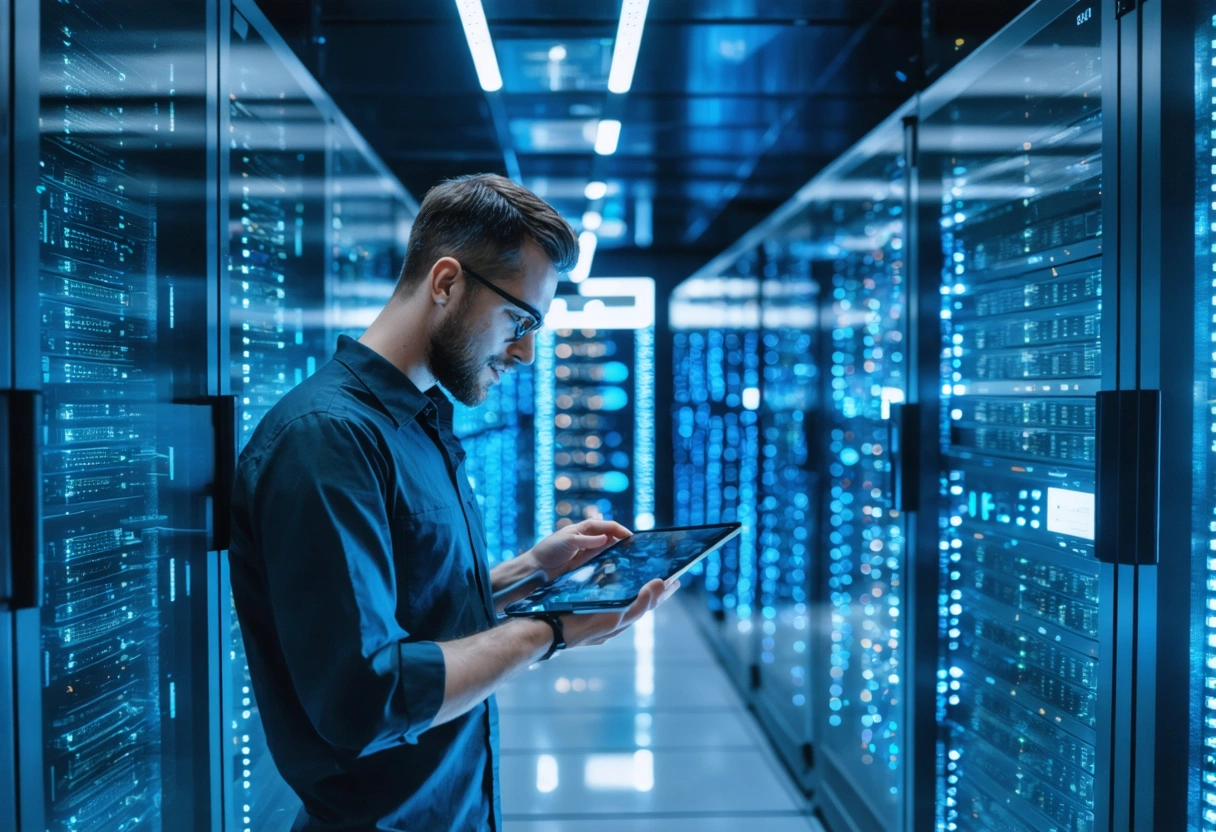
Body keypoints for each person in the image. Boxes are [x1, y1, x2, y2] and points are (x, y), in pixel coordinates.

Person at [229, 174, 678, 832]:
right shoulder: (326, 439)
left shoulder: (417, 425)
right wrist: (549, 631)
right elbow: (368, 697)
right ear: (446, 283)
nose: (526, 352)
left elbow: (413, 606)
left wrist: (531, 572)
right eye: (519, 321)